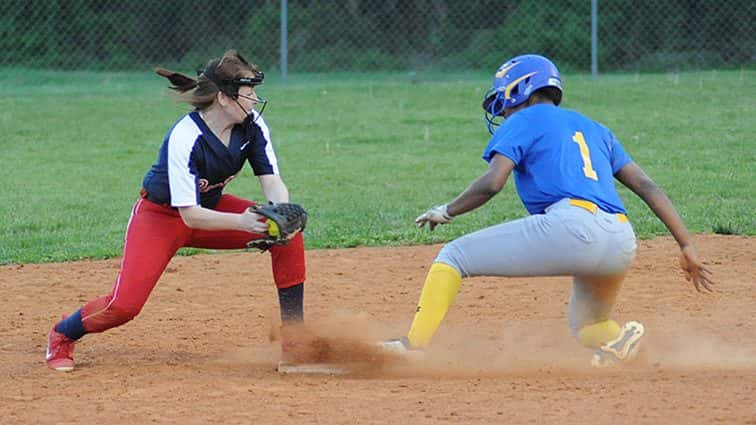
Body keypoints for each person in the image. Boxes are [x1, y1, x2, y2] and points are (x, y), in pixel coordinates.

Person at [381, 54, 715, 366]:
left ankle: (412, 347)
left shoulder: (525, 118)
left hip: (573, 228)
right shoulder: (595, 128)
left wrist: (448, 210)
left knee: (453, 255)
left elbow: (492, 182)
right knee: (588, 326)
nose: (504, 112)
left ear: (519, 90)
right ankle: (624, 342)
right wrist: (686, 244)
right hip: (621, 240)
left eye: (504, 101)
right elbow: (647, 187)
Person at [45, 50, 307, 372]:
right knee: (124, 306)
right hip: (161, 218)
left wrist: (281, 210)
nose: (255, 99)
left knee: (286, 234)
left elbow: (272, 180)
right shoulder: (186, 136)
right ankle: (62, 334)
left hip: (212, 207)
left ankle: (295, 341)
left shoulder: (252, 125)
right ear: (224, 98)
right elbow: (190, 216)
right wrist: (243, 221)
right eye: (248, 93)